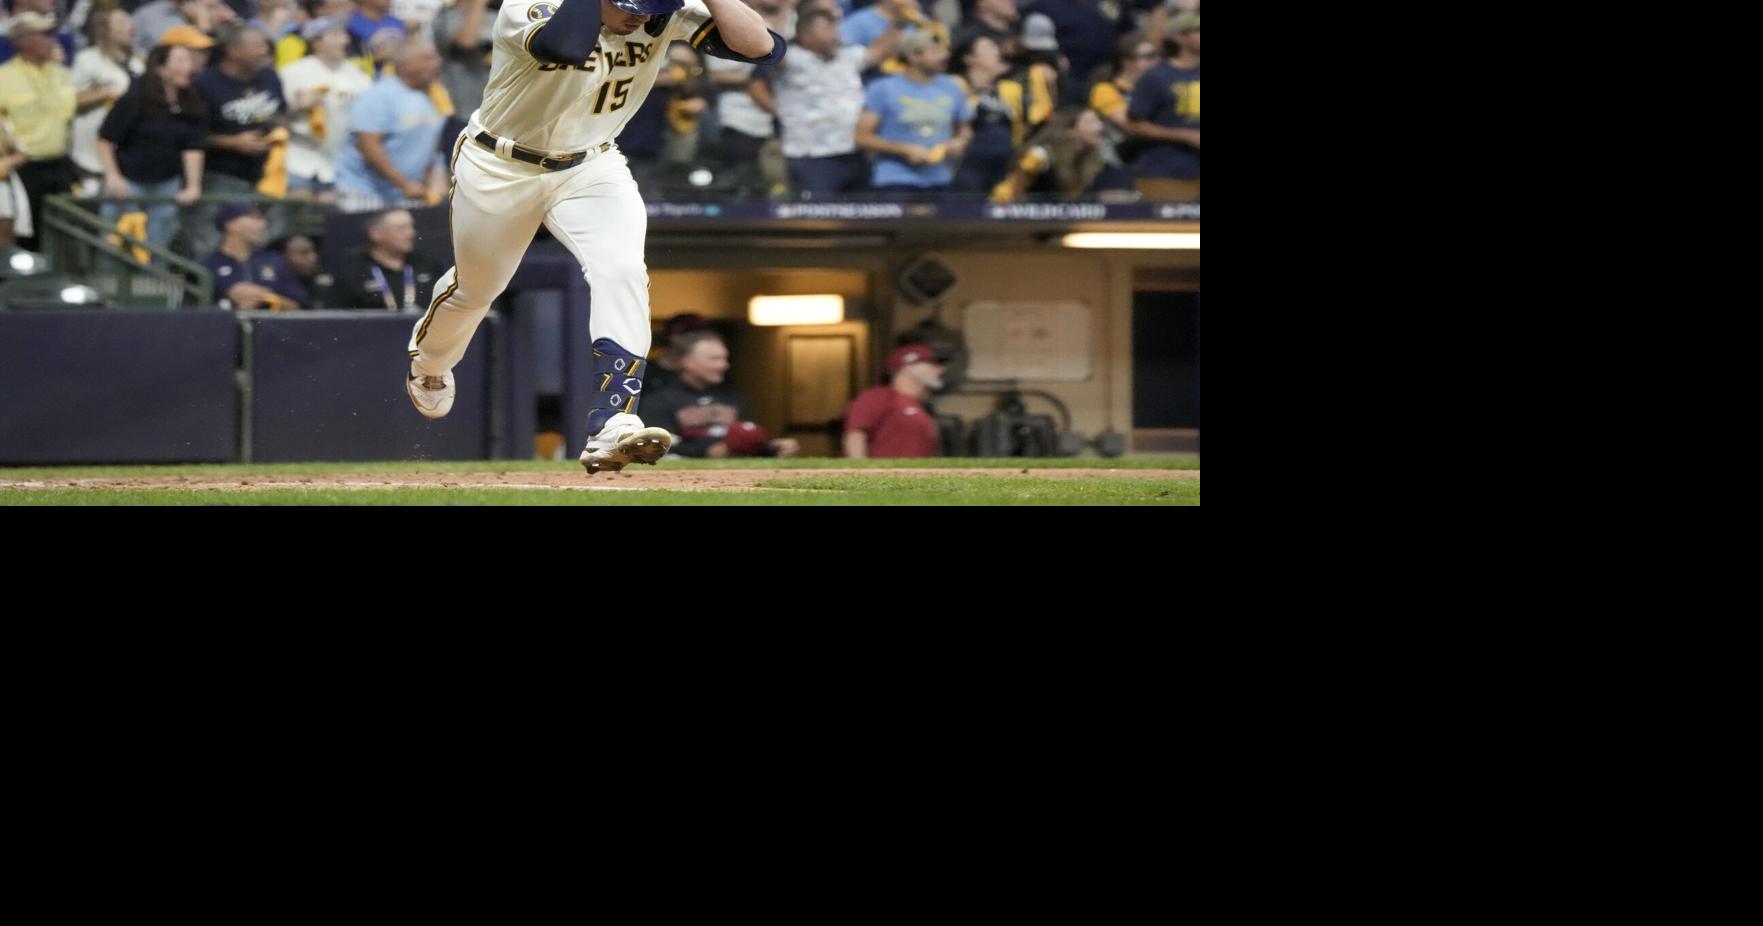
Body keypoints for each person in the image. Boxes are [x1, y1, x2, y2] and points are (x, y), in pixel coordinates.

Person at [401, 0, 785, 477]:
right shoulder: (530, 5)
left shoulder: (656, 10)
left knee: (622, 270)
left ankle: (614, 421)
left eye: (651, 8)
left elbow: (764, 48)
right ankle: (431, 358)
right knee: (478, 289)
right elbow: (564, 45)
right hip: (500, 164)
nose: (642, 18)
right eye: (631, 6)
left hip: (591, 163)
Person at [96, 42, 206, 253]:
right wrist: (113, 175)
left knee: (158, 245)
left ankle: (152, 285)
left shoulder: (192, 101)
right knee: (116, 242)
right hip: (128, 180)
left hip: (166, 182)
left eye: (189, 61)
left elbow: (193, 146)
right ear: (160, 67)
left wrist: (193, 185)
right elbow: (106, 139)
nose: (188, 66)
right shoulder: (135, 98)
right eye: (181, 61)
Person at [639, 331, 800, 457]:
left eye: (724, 359)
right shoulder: (658, 400)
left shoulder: (733, 397)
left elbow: (748, 436)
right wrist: (706, 451)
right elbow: (653, 447)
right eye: (715, 359)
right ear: (687, 361)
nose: (724, 365)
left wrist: (773, 447)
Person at [853, 28, 969, 197]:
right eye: (935, 52)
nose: (944, 56)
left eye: (944, 51)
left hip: (940, 180)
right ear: (913, 56)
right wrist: (904, 149)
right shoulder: (883, 88)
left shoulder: (953, 87)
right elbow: (861, 137)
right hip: (894, 180)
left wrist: (959, 142)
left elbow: (964, 129)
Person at [332, 39, 446, 211]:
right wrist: (404, 184)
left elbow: (432, 146)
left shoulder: (430, 98)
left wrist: (436, 178)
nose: (438, 62)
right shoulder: (380, 95)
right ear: (407, 65)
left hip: (407, 194)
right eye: (428, 58)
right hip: (366, 192)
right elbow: (368, 146)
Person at [0, 11, 76, 252]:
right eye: (44, 34)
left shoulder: (61, 73)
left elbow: (72, 107)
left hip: (60, 165)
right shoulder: (5, 77)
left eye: (51, 33)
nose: (51, 38)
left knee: (63, 237)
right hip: (24, 169)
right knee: (25, 237)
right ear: (22, 40)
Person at [278, 16, 372, 201]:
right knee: (299, 219)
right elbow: (276, 120)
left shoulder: (359, 78)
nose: (345, 40)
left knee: (329, 223)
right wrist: (297, 107)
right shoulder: (293, 73)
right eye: (336, 35)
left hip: (340, 161)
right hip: (299, 158)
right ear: (316, 42)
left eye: (344, 35)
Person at [69, 7, 144, 197]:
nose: (131, 28)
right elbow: (70, 101)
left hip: (129, 146)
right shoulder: (88, 59)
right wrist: (104, 93)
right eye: (122, 23)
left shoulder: (139, 61)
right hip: (92, 147)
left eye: (130, 22)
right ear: (104, 29)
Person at [1126, 10, 1196, 199]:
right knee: (1165, 226)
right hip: (1165, 172)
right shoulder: (1156, 78)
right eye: (1197, 30)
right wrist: (1185, 136)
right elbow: (1134, 124)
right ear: (1180, 37)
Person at [317, 208, 441, 310]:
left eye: (411, 227)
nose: (411, 234)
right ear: (376, 234)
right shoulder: (353, 271)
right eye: (401, 229)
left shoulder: (427, 264)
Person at [842, 342, 943, 458]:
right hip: (885, 474)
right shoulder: (880, 396)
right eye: (931, 364)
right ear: (909, 367)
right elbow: (856, 434)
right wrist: (860, 472)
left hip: (917, 475)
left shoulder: (921, 406)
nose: (939, 370)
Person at [200, 201, 308, 309]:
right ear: (231, 224)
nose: (263, 224)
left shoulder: (275, 260)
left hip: (271, 324)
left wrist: (267, 298)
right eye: (254, 218)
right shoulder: (208, 265)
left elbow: (298, 305)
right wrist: (231, 297)